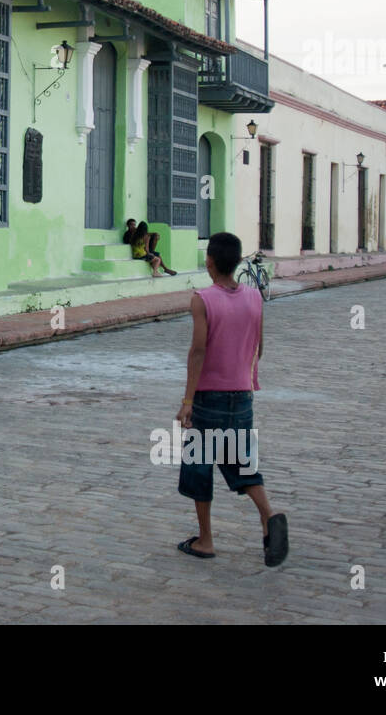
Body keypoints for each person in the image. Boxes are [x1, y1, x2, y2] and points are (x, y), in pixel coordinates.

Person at [175, 231, 287, 567]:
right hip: (242, 396)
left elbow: (198, 351)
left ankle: (206, 539)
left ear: (209, 261)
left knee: (198, 466)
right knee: (241, 461)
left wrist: (187, 401)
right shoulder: (254, 298)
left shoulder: (202, 299)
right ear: (238, 262)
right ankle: (269, 515)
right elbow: (259, 347)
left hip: (208, 396)